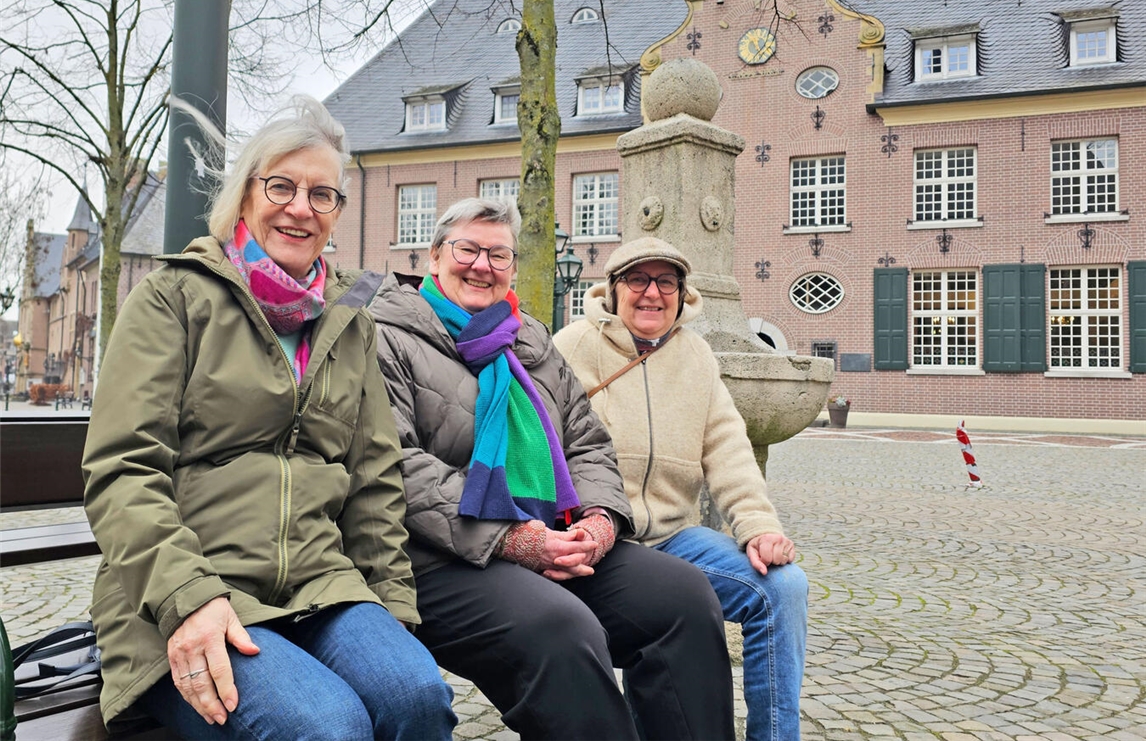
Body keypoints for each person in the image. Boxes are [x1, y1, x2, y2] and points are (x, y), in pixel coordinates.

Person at [81, 96, 457, 741]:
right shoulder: (172, 300)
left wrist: (390, 605)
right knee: (325, 728)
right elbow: (123, 469)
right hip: (189, 588)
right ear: (245, 193)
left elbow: (373, 480)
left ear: (337, 213)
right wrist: (187, 598)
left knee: (418, 697)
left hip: (322, 587)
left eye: (323, 194)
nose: (300, 208)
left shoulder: (348, 323)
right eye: (281, 185)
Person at [371, 198, 735, 741]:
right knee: (561, 630)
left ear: (513, 267)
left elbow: (586, 441)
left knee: (683, 596)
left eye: (498, 255)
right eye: (466, 249)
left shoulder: (531, 340)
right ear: (433, 257)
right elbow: (395, 464)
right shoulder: (386, 335)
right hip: (441, 556)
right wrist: (515, 539)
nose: (481, 266)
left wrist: (599, 522)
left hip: (556, 537)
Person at [553, 236, 810, 741]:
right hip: (598, 539)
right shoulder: (570, 346)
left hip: (675, 539)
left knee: (783, 587)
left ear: (682, 292)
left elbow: (728, 447)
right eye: (637, 280)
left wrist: (759, 527)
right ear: (612, 288)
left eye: (665, 281)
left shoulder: (697, 356)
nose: (652, 293)